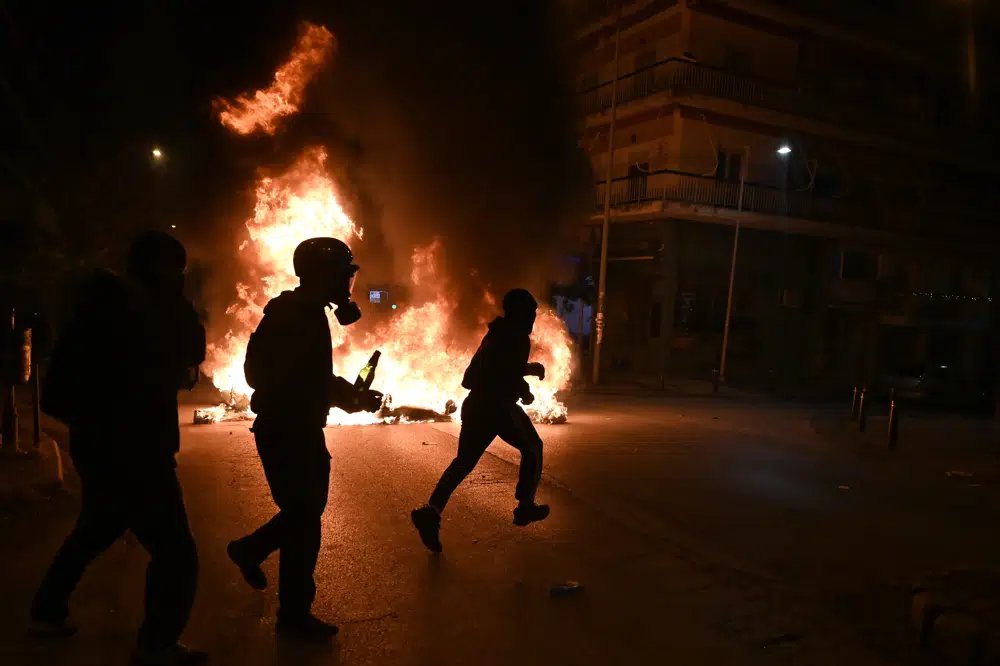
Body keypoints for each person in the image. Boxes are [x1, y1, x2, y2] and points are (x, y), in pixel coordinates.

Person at [31, 231, 206, 666]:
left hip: (102, 448)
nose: (179, 277)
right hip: (137, 451)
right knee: (176, 552)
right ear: (159, 269)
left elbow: (63, 391)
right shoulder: (142, 311)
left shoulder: (102, 308)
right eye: (175, 269)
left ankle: (47, 611)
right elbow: (188, 350)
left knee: (98, 526)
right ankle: (157, 645)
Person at [226, 237, 382, 640]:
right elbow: (301, 377)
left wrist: (348, 396)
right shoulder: (298, 315)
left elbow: (302, 376)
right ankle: (293, 615)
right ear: (323, 275)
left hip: (295, 427)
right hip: (289, 430)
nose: (348, 284)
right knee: (305, 521)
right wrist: (350, 397)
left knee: (303, 515)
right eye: (343, 275)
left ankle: (252, 552)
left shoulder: (300, 312)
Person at [411, 288, 549, 553]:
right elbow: (502, 374)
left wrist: (526, 373)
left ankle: (432, 511)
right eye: (530, 312)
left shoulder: (496, 333)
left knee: (463, 462)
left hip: (476, 406)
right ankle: (525, 506)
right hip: (497, 407)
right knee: (533, 448)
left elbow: (484, 371)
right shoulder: (518, 337)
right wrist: (523, 387)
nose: (533, 317)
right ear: (520, 313)